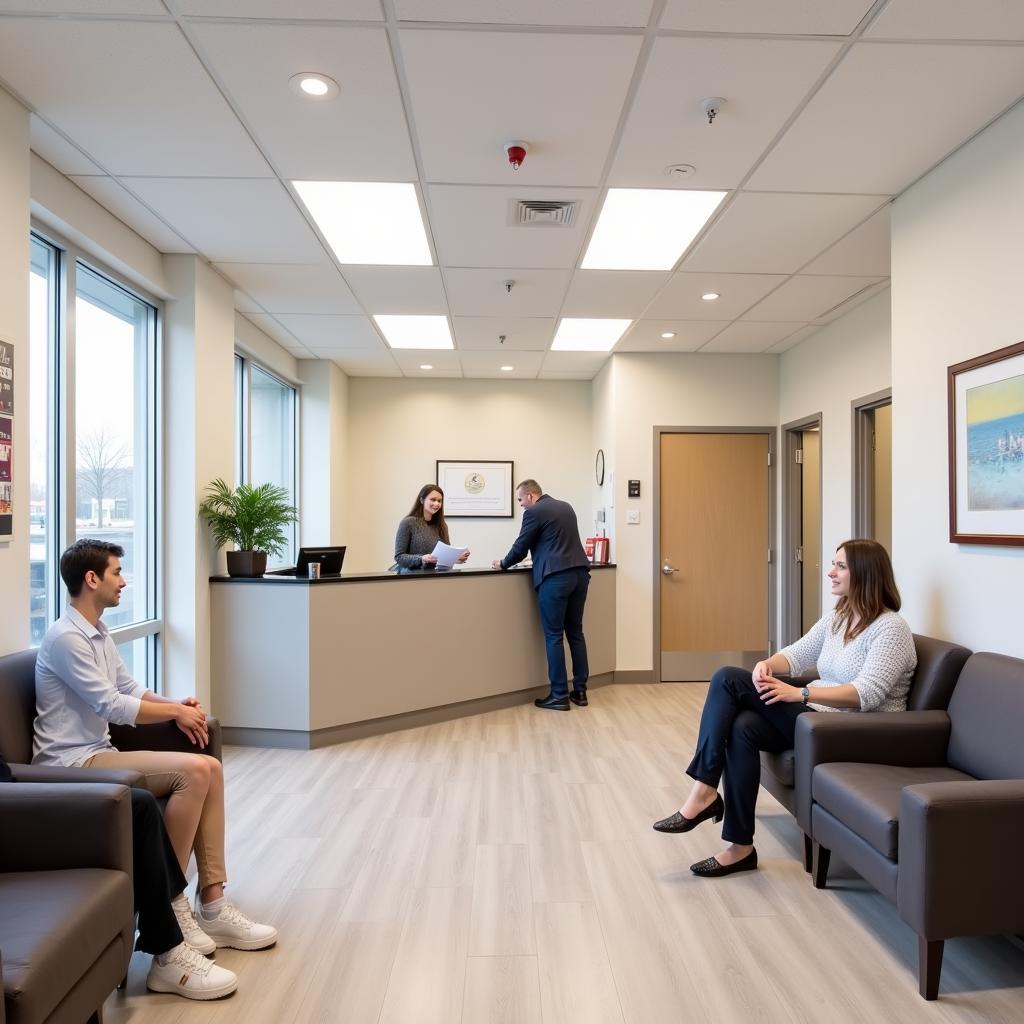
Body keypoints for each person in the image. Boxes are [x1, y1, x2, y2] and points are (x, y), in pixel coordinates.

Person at [33, 539, 277, 952]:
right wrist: (174, 716)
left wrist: (175, 704)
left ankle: (213, 901)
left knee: (210, 768)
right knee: (196, 771)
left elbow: (128, 687)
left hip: (99, 751)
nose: (123, 581)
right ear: (91, 579)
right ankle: (169, 903)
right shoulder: (66, 639)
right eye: (116, 573)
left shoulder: (97, 632)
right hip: (70, 764)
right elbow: (109, 703)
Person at [653, 538, 916, 878]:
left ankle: (704, 791)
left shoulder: (891, 628)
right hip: (817, 717)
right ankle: (740, 848)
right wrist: (768, 664)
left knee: (727, 678)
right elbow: (797, 654)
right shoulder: (840, 618)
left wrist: (801, 695)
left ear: (864, 574)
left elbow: (866, 694)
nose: (831, 573)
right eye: (833, 564)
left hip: (851, 729)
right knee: (741, 726)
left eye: (840, 566)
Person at [0, 752, 238, 1000]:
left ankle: (207, 907)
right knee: (145, 804)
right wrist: (175, 710)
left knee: (146, 801)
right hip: (17, 801)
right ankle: (170, 945)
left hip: (13, 795)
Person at [491, 479, 591, 711]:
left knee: (554, 636)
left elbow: (521, 547)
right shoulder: (566, 506)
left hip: (555, 578)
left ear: (530, 496)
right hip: (580, 575)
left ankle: (559, 695)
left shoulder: (534, 512)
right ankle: (581, 691)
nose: (521, 505)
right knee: (576, 633)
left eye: (520, 500)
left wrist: (502, 564)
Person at [393, 483, 470, 571]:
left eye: (439, 501)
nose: (436, 504)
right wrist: (421, 559)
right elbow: (399, 557)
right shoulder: (408, 522)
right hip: (413, 578)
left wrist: (456, 558)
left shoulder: (442, 525)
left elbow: (443, 557)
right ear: (422, 500)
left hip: (436, 577)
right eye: (433, 500)